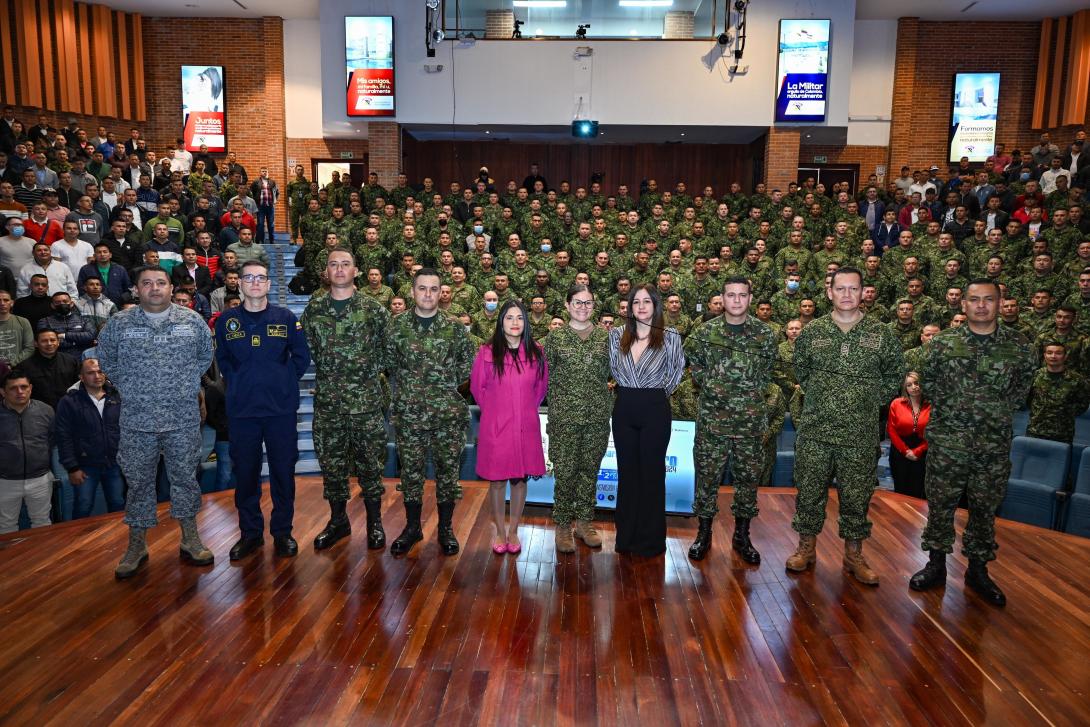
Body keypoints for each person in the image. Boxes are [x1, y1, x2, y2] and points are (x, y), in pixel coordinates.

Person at [912, 280, 1037, 606]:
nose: (981, 305)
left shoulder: (1020, 347)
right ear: (963, 305)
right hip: (948, 444)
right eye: (974, 300)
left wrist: (990, 413)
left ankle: (978, 570)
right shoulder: (941, 345)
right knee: (940, 506)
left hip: (992, 446)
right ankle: (935, 564)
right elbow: (929, 384)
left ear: (1000, 303)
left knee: (984, 509)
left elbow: (1020, 392)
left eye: (989, 299)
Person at [96, 265, 215, 579]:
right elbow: (106, 359)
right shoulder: (119, 324)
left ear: (171, 288)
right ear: (136, 289)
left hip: (182, 421)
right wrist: (133, 389)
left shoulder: (192, 321)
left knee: (186, 480)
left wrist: (184, 385)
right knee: (137, 485)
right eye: (146, 283)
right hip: (137, 422)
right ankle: (136, 545)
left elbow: (205, 356)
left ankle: (190, 538)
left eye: (160, 283)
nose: (154, 288)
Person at [787, 267, 904, 584]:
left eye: (854, 288)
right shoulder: (812, 333)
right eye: (841, 289)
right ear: (830, 292)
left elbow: (894, 376)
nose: (847, 294)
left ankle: (854, 555)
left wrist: (865, 401)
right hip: (816, 431)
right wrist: (826, 398)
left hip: (859, 433)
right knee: (809, 494)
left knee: (857, 496)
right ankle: (806, 549)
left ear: (863, 292)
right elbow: (803, 373)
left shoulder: (881, 334)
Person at [215, 260, 310, 560]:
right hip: (243, 412)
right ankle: (251, 533)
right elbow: (224, 361)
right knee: (246, 474)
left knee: (283, 472)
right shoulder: (226, 322)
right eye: (249, 277)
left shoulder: (286, 318)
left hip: (280, 411)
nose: (255, 282)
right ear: (239, 284)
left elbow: (301, 357)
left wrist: (281, 381)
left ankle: (283, 532)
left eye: (261, 278)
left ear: (269, 284)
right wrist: (242, 382)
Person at [300, 250, 390, 551]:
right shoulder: (314, 310)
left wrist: (364, 374)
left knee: (371, 465)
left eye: (346, 264)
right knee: (332, 465)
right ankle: (338, 521)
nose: (339, 269)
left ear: (357, 271)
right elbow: (310, 348)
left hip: (366, 404)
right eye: (333, 264)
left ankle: (375, 522)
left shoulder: (373, 309)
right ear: (326, 271)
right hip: (330, 405)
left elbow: (386, 350)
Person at [383, 267, 475, 556]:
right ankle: (412, 527)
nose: (427, 294)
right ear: (412, 292)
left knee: (447, 472)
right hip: (409, 414)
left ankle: (445, 528)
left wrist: (442, 385)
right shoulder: (395, 328)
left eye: (433, 289)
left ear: (441, 293)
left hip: (447, 414)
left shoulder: (455, 328)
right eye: (422, 288)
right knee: (411, 473)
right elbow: (387, 364)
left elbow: (467, 365)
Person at [684, 276, 776, 563]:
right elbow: (693, 362)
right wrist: (711, 385)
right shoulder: (704, 332)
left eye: (742, 295)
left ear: (750, 299)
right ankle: (704, 533)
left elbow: (768, 370)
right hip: (713, 421)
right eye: (731, 295)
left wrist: (751, 391)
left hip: (749, 423)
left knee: (748, 480)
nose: (736, 300)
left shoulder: (766, 334)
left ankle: (742, 535)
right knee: (707, 479)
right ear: (722, 299)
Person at [607, 284, 685, 557]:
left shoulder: (671, 336)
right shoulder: (617, 335)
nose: (640, 306)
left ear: (656, 306)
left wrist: (655, 393)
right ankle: (626, 538)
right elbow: (614, 369)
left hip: (655, 408)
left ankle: (651, 541)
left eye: (646, 302)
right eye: (635, 302)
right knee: (627, 475)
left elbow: (677, 372)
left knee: (652, 475)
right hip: (625, 407)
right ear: (629, 308)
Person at [471, 300, 548, 555]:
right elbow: (477, 389)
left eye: (519, 318)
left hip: (525, 425)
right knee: (496, 481)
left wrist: (523, 410)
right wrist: (496, 411)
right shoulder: (487, 352)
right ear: (500, 321)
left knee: (519, 478)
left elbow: (540, 389)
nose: (515, 323)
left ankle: (514, 529)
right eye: (509, 318)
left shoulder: (536, 352)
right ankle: (500, 531)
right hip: (497, 426)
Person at [542, 285, 611, 554]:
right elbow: (543, 377)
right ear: (568, 305)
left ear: (594, 306)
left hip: (596, 417)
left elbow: (617, 371)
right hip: (564, 418)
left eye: (588, 303)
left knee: (589, 471)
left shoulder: (606, 339)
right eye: (578, 303)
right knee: (566, 472)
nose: (583, 308)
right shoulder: (555, 339)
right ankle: (562, 525)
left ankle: (584, 523)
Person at [54, 358, 124, 519]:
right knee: (83, 506)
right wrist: (72, 468)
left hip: (114, 464)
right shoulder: (69, 402)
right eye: (90, 373)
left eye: (100, 371)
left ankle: (119, 541)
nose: (97, 376)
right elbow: (63, 437)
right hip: (85, 467)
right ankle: (77, 541)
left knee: (118, 503)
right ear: (81, 377)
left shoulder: (117, 397)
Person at [0, 371, 54, 533]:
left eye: (24, 387)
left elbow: (53, 440)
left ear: (30, 388)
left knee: (42, 523)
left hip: (40, 479)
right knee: (6, 526)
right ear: (3, 392)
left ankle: (44, 558)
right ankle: (9, 559)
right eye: (13, 388)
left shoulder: (46, 411)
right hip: (5, 481)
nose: (20, 392)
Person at [1026, 342, 1090, 444]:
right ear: (1044, 355)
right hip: (1035, 430)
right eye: (1049, 352)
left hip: (1063, 433)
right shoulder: (1035, 376)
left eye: (1058, 353)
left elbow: (1083, 404)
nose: (1053, 356)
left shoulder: (1077, 380)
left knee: (1059, 460)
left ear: (1065, 356)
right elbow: (1027, 400)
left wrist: (1065, 412)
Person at [886, 371, 931, 499]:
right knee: (900, 490)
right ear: (905, 388)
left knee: (919, 491)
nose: (914, 387)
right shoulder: (896, 403)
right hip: (899, 452)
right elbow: (891, 429)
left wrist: (918, 451)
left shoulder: (931, 405)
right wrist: (905, 451)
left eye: (916, 383)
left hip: (922, 453)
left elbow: (934, 433)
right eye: (909, 385)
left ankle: (915, 518)